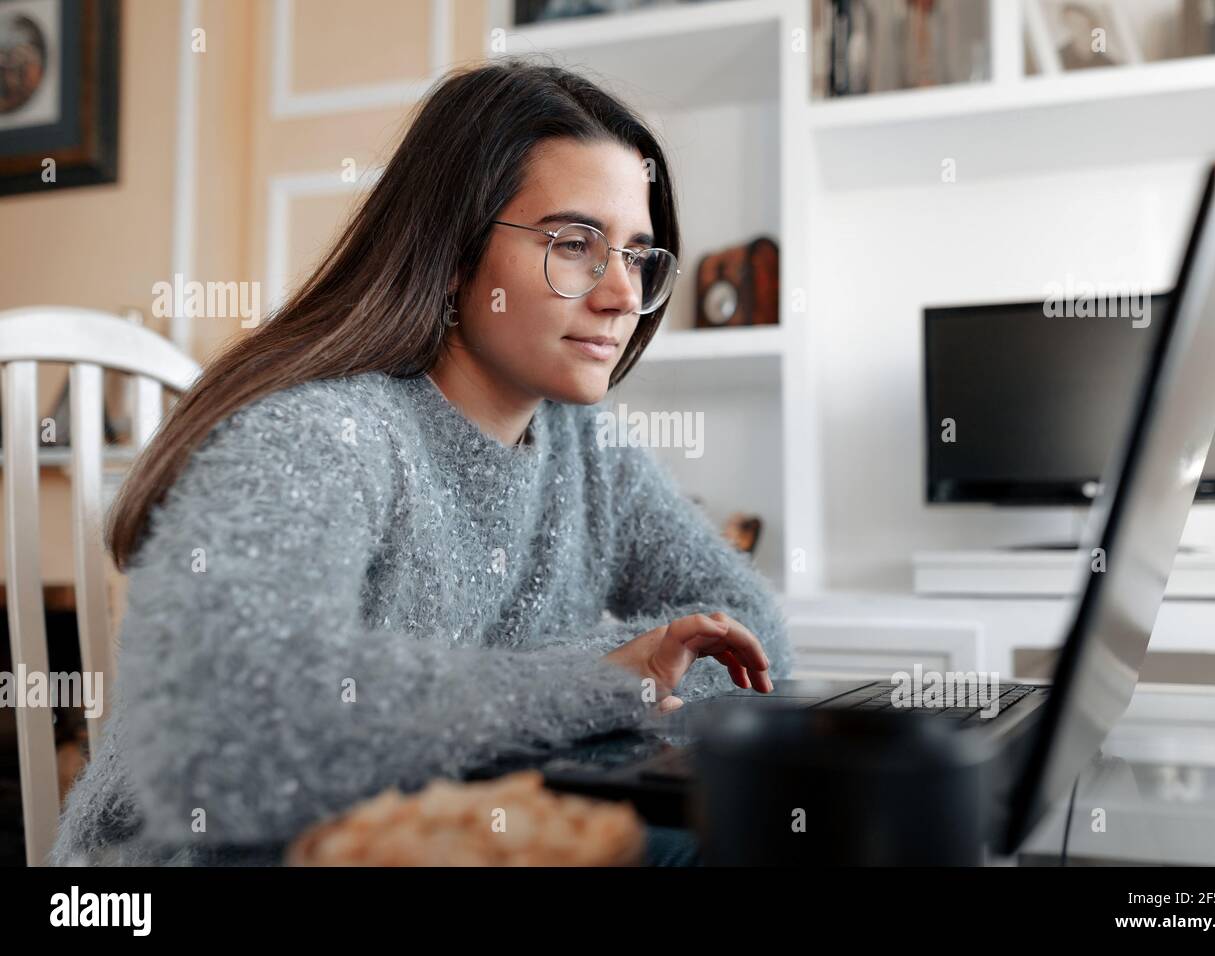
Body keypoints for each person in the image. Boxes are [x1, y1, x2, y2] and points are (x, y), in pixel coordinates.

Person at [50, 58, 794, 867]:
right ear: (452, 254)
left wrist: (590, 686)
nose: (621, 292)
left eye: (640, 255)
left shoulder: (590, 450)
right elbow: (236, 724)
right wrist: (594, 681)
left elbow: (753, 640)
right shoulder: (326, 436)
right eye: (576, 244)